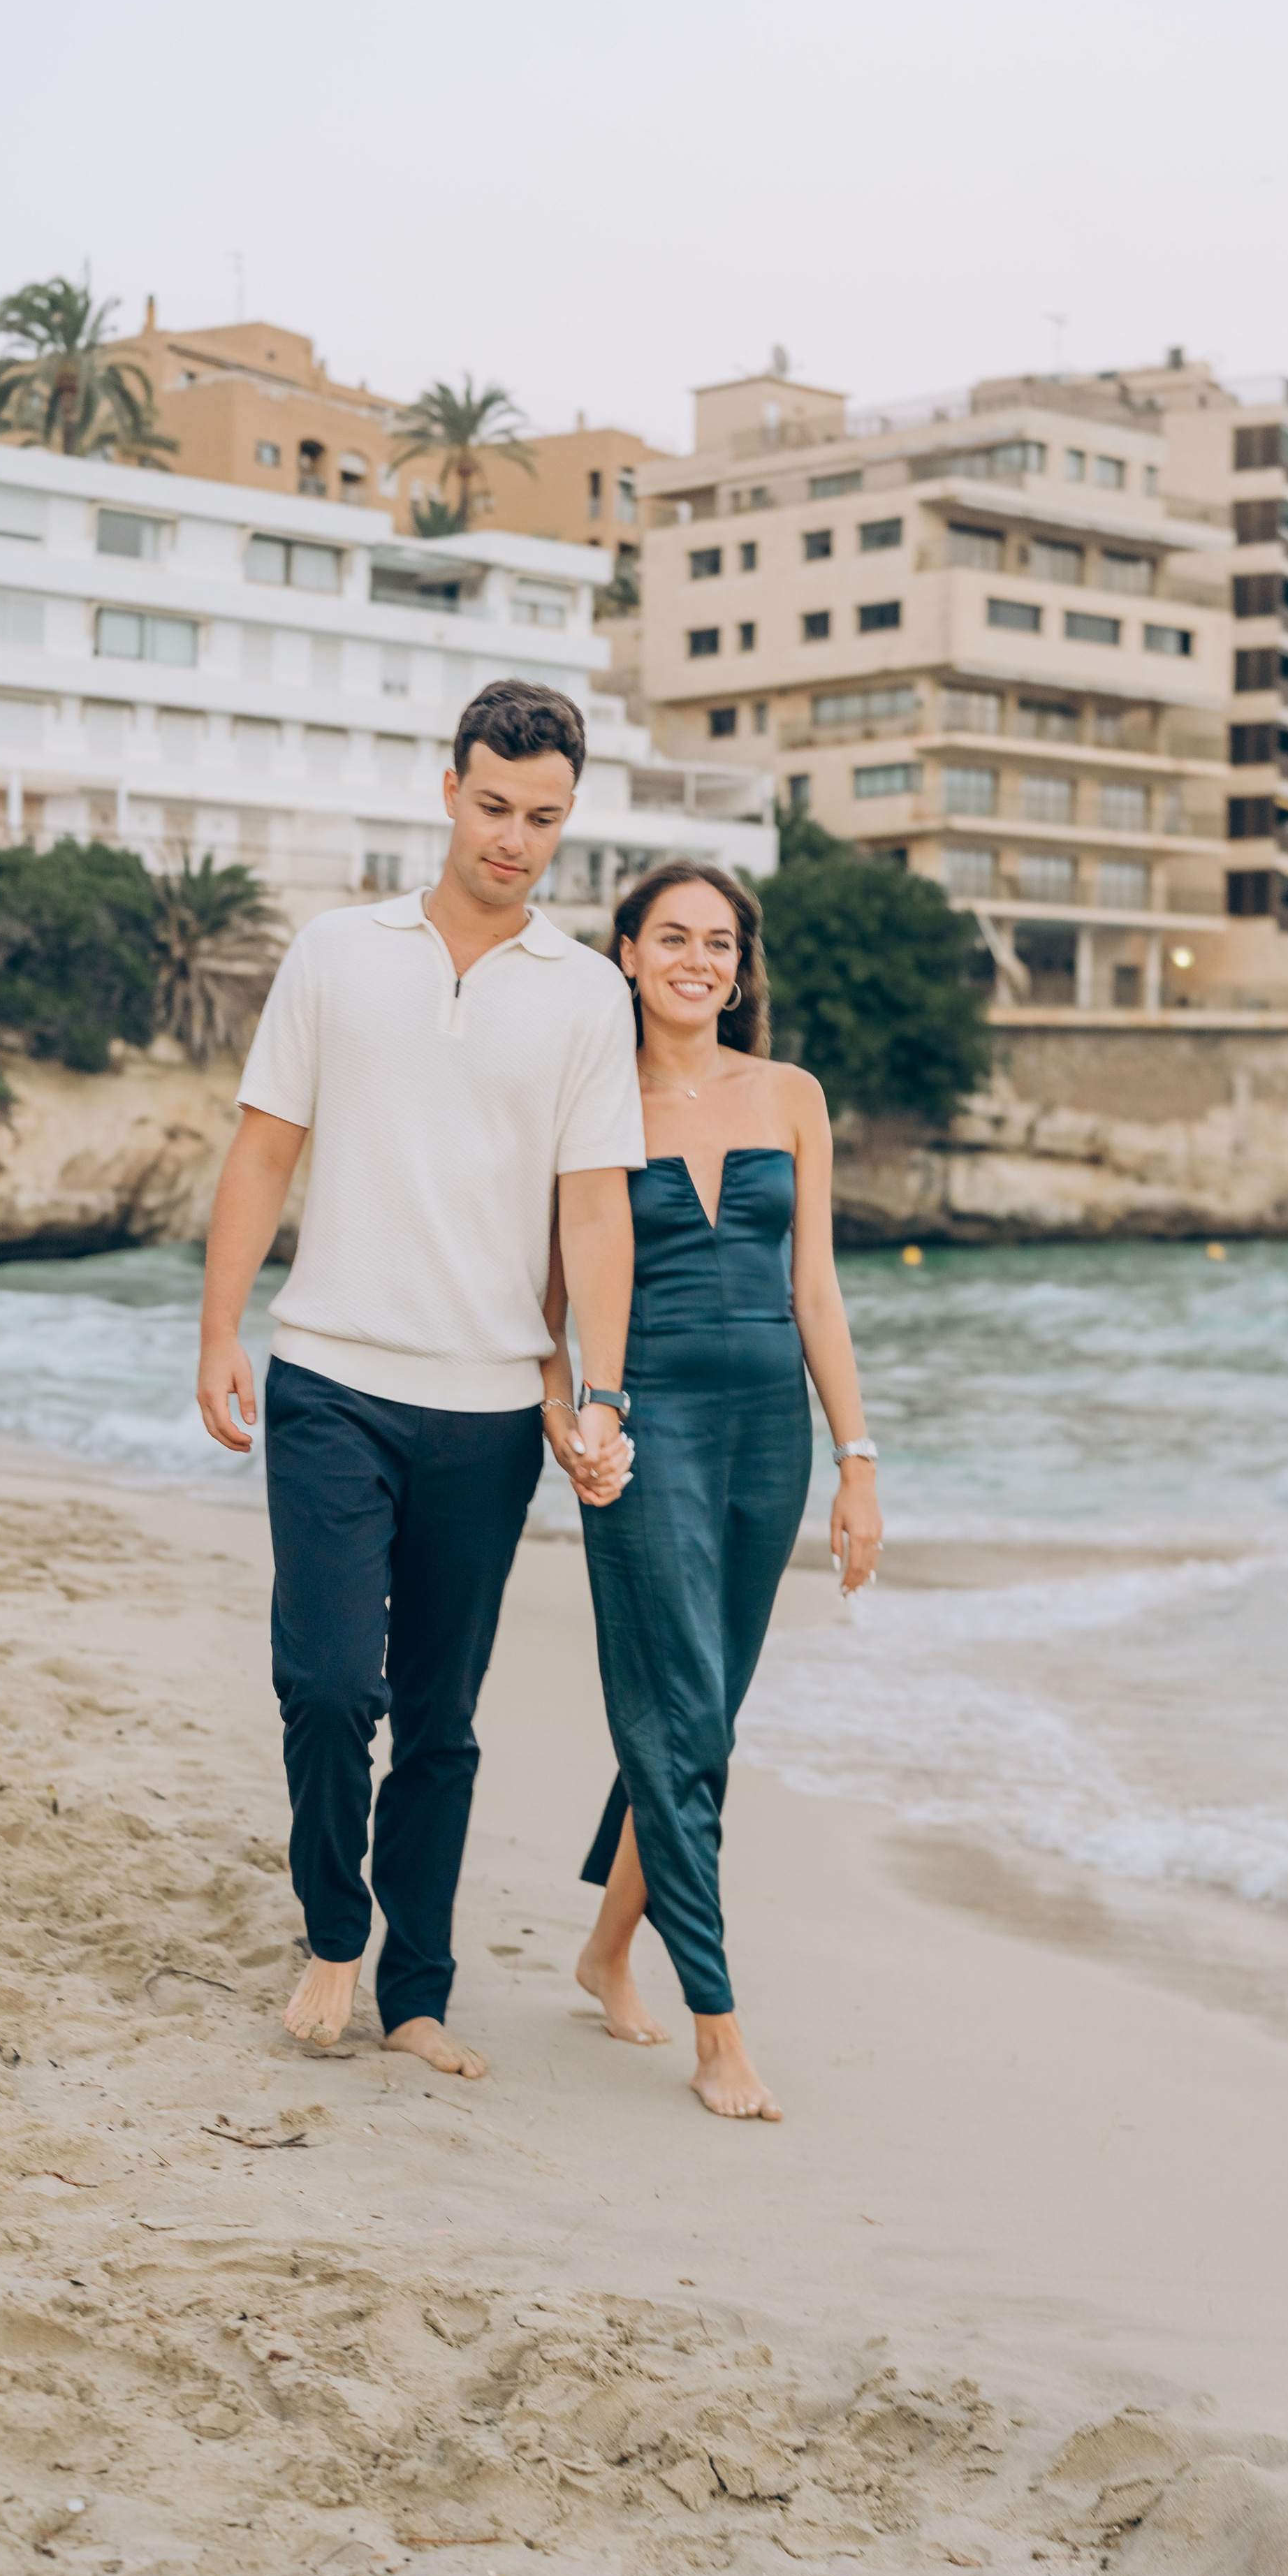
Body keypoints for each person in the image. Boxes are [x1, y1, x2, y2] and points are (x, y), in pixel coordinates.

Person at [196, 681, 643, 2079]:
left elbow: (592, 1214)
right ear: (447, 786)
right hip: (330, 1374)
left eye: (543, 819)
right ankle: (338, 1930)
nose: (513, 837)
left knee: (440, 1718)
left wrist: (596, 1391)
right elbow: (265, 1149)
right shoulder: (337, 951)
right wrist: (220, 1332)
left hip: (494, 1408)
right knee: (329, 1688)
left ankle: (422, 1987)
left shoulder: (586, 993)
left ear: (568, 822)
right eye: (495, 805)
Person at [548, 859, 883, 2122]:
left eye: (722, 942)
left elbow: (819, 1293)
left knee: (699, 1721)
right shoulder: (586, 1102)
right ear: (625, 953)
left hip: (768, 1442)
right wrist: (571, 1414)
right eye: (673, 937)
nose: (699, 959)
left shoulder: (792, 1095)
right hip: (647, 1431)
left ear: (742, 967)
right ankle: (719, 2028)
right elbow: (555, 1297)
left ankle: (603, 1948)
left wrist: (858, 1463)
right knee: (681, 1713)